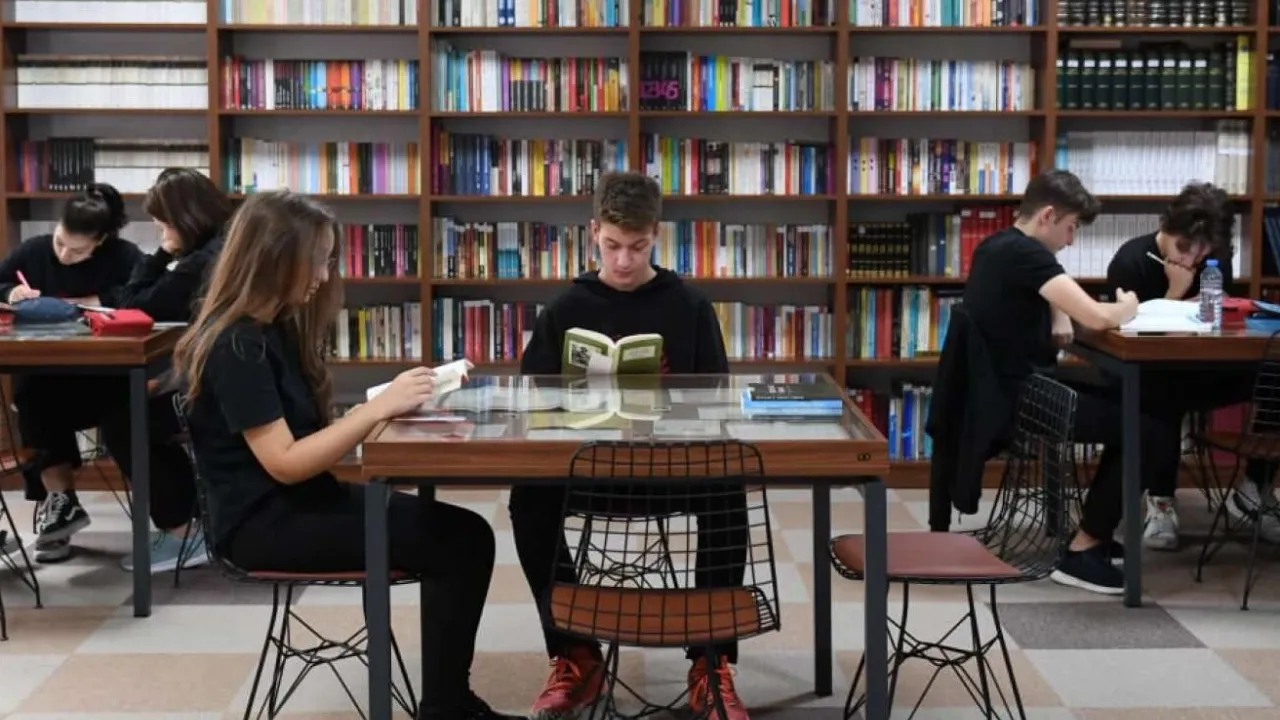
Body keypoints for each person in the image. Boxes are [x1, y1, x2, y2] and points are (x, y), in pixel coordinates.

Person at [173, 190, 518, 720]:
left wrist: (388, 410)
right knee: (463, 539)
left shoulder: (274, 331)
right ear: (273, 258)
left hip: (303, 501)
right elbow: (286, 461)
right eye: (317, 259)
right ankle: (447, 706)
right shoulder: (236, 348)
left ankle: (447, 702)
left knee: (464, 534)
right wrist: (375, 411)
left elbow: (310, 444)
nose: (324, 273)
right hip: (263, 525)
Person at [511, 171, 752, 720]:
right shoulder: (565, 308)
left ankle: (710, 660)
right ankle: (573, 653)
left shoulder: (689, 304)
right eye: (613, 244)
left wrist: (670, 396)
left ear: (656, 236)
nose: (623, 260)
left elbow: (718, 402)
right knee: (529, 497)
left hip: (672, 470)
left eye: (638, 247)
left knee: (728, 490)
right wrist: (571, 398)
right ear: (593, 231)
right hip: (591, 472)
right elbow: (530, 400)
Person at [961, 169, 1184, 595]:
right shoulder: (1028, 255)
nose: (1071, 240)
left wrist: (1059, 311)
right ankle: (1083, 550)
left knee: (1138, 410)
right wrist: (1129, 306)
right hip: (1025, 399)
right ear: (1047, 216)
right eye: (1071, 227)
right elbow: (1097, 316)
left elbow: (1053, 295)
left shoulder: (998, 246)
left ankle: (1094, 529)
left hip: (1007, 393)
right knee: (1151, 430)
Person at [1104, 182, 1280, 550]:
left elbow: (1218, 314)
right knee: (1160, 395)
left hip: (1205, 365)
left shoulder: (1213, 260)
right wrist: (1174, 294)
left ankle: (1255, 488)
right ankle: (1161, 502)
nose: (1192, 259)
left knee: (1275, 376)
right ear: (1165, 227)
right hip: (1150, 373)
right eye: (1184, 247)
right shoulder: (1130, 260)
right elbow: (1130, 336)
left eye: (1203, 252)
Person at [0, 183, 142, 559]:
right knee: (30, 399)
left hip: (108, 378)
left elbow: (143, 295)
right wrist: (11, 294)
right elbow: (2, 281)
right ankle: (61, 504)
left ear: (101, 241)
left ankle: (161, 516)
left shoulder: (124, 257)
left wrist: (95, 301)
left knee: (127, 416)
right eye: (61, 241)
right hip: (48, 375)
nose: (64, 254)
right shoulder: (34, 251)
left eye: (77, 250)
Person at [103, 167, 234, 571]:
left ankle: (183, 530)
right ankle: (191, 520)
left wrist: (161, 254)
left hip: (212, 385)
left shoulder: (199, 263)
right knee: (130, 408)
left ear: (184, 218)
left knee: (125, 418)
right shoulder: (225, 245)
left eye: (163, 225)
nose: (162, 233)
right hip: (220, 375)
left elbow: (130, 306)